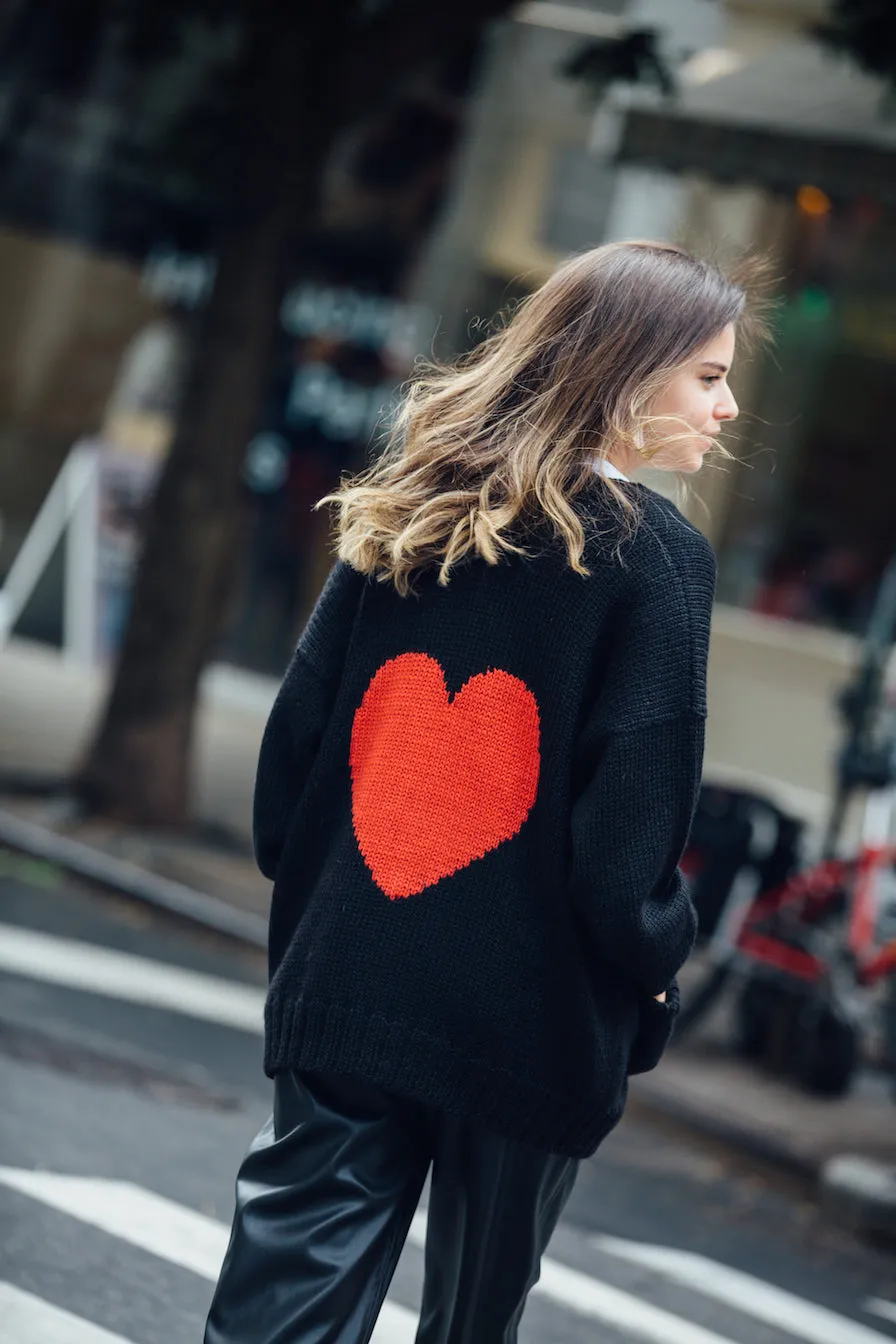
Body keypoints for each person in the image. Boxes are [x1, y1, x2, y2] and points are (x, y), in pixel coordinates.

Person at [204, 240, 750, 1344]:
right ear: (624, 367)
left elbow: (293, 763)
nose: (728, 407)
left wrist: (330, 899)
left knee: (283, 1302)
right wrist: (655, 966)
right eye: (706, 375)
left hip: (352, 972)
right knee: (470, 1320)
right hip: (533, 1014)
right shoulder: (655, 561)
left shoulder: (412, 505)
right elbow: (622, 850)